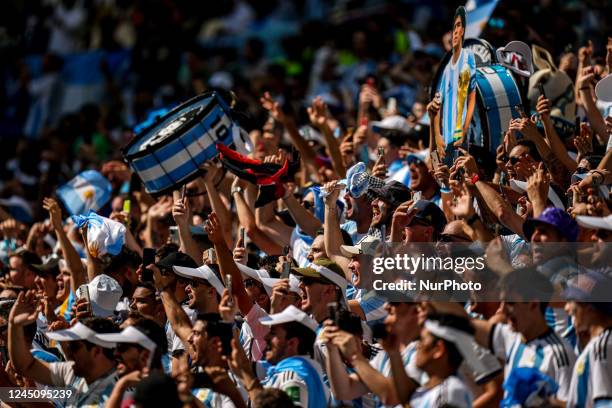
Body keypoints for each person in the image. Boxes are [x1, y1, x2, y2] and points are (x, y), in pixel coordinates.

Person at [471, 268, 576, 405]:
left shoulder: (559, 354)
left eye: (510, 303)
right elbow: (463, 323)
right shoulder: (512, 337)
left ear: (533, 304)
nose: (502, 311)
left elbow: (569, 403)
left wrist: (542, 402)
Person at [9, 291, 119, 407]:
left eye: (75, 347)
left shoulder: (120, 394)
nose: (69, 351)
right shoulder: (72, 372)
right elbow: (25, 366)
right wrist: (15, 326)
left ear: (96, 351)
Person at [229, 305, 329, 408]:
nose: (266, 337)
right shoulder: (299, 368)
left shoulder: (294, 377)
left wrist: (249, 381)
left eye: (273, 333)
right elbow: (242, 363)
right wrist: (227, 322)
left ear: (292, 343)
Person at [563, 271, 612, 407]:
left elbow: (604, 404)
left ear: (591, 309)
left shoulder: (602, 347)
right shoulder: (601, 344)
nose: (566, 308)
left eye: (573, 303)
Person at [436, 6, 476, 159]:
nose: (455, 32)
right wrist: (438, 136)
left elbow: (471, 98)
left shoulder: (468, 60)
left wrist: (464, 130)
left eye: (459, 26)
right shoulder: (445, 70)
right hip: (447, 139)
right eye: (454, 27)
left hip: (462, 137)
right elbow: (439, 104)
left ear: (464, 31)